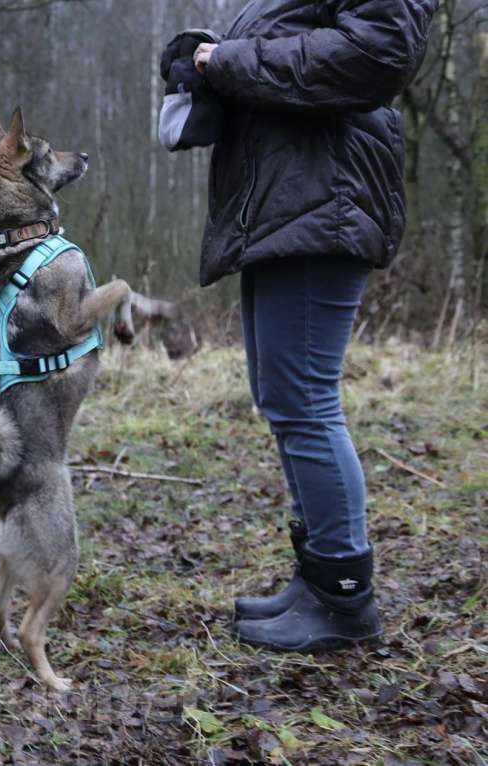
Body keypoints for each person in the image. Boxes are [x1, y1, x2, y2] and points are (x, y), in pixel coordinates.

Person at [190, 0, 438, 651]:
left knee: (305, 401)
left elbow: (377, 53)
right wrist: (207, 64)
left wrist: (231, 61)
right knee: (283, 396)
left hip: (324, 196)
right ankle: (320, 577)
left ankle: (343, 600)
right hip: (290, 198)